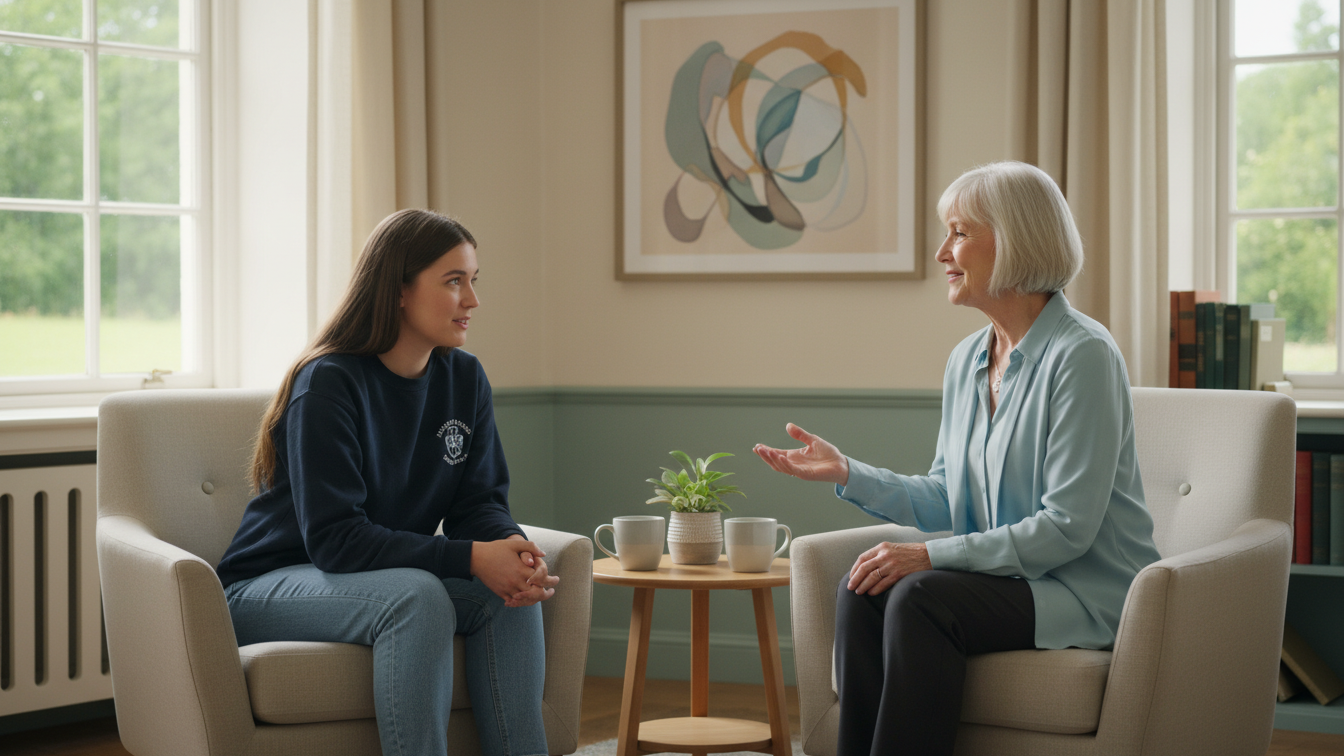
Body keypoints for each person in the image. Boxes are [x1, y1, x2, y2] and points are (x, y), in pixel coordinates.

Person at [753, 161, 1162, 756]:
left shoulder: (1084, 356)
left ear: (1016, 239)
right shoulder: (967, 359)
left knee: (921, 595)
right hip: (1007, 580)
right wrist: (847, 471)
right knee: (862, 586)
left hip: (1080, 590)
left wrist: (926, 556)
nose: (943, 251)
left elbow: (1067, 529)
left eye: (960, 233)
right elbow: (948, 495)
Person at [216, 209, 557, 756]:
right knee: (417, 597)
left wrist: (508, 549)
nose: (472, 300)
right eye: (453, 281)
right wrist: (471, 558)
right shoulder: (328, 382)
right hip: (266, 584)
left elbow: (480, 503)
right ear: (398, 290)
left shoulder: (464, 378)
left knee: (509, 594)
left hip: (372, 575)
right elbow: (335, 540)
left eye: (473, 280)